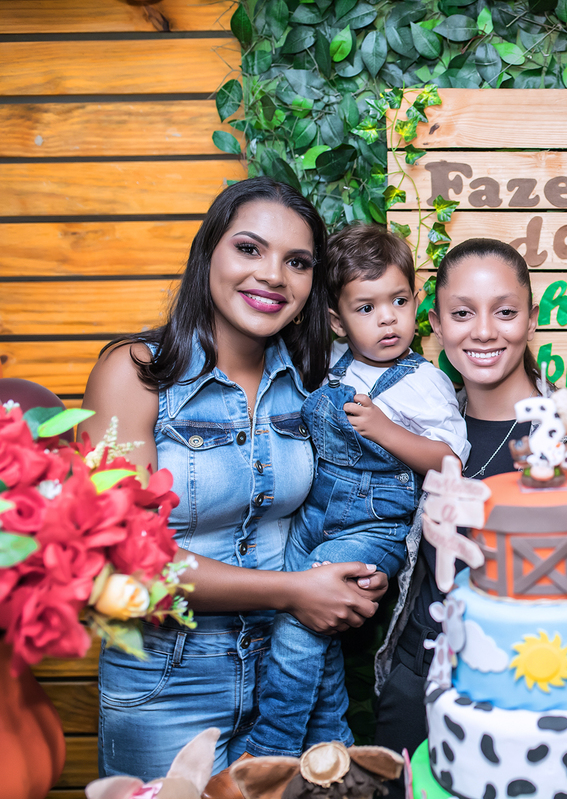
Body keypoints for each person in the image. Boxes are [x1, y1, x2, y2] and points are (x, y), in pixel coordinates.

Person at [81, 178, 388, 778]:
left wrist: (356, 571)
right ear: (208, 254)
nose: (273, 275)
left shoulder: (314, 384)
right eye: (249, 248)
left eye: (297, 262)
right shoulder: (134, 374)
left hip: (289, 676)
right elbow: (125, 560)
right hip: (167, 678)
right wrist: (296, 591)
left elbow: (336, 508)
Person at [372, 238, 567, 754]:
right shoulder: (412, 430)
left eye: (505, 312)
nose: (484, 331)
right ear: (435, 324)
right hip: (419, 680)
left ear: (532, 320)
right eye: (462, 313)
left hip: (533, 697)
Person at [242, 224, 469, 759]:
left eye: (398, 301)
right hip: (312, 519)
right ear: (337, 322)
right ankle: (331, 748)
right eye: (366, 308)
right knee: (311, 632)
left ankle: (272, 748)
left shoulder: (424, 382)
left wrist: (385, 430)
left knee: (298, 627)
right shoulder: (332, 365)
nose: (388, 318)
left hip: (373, 526)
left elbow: (450, 462)